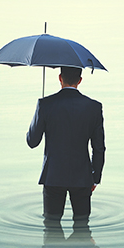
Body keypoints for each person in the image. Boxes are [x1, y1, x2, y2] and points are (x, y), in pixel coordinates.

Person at [26, 66, 105, 221]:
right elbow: (99, 148)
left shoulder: (45, 104)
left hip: (53, 176)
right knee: (83, 226)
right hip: (83, 177)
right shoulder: (94, 107)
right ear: (80, 80)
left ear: (60, 78)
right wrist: (96, 177)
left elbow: (32, 142)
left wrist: (38, 115)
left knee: (51, 225)